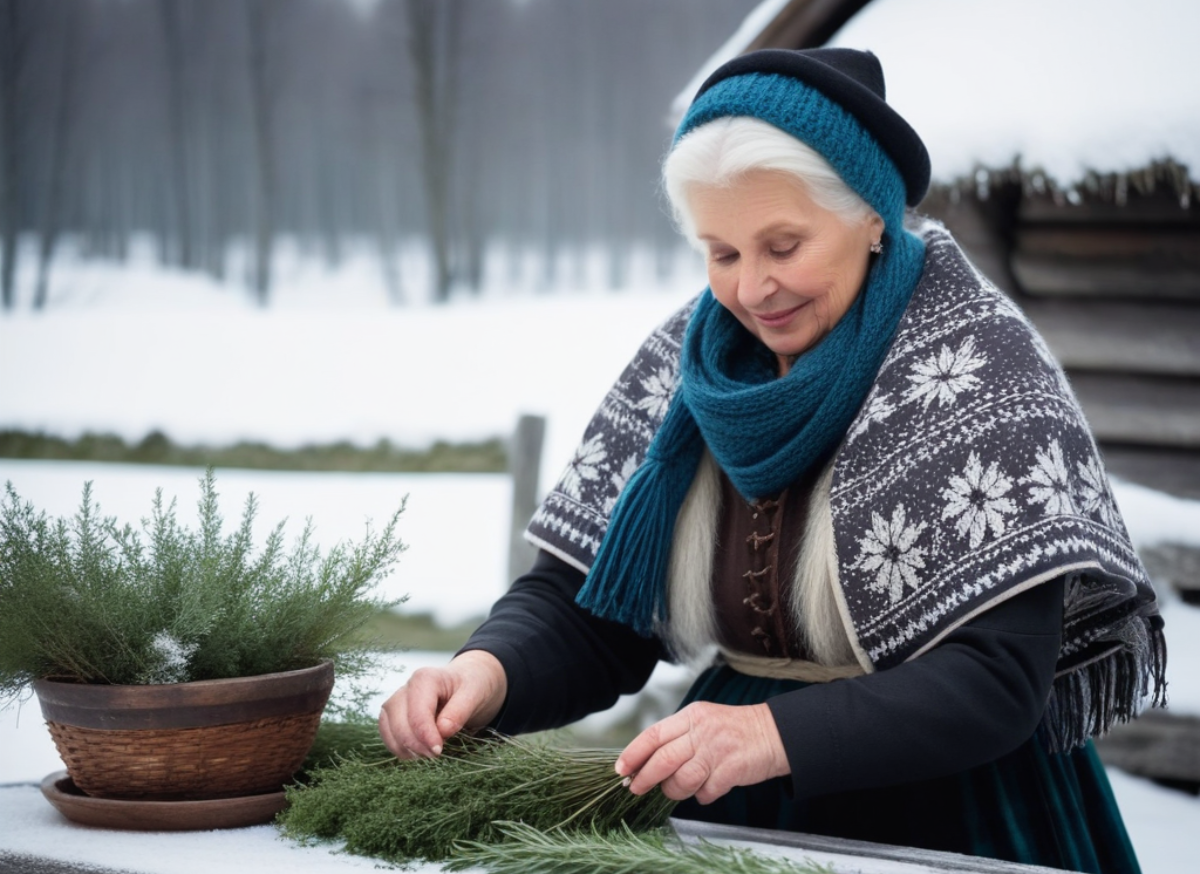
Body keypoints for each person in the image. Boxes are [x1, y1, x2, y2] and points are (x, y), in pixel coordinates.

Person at [379, 48, 1165, 873]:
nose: (752, 289)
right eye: (721, 253)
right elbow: (594, 605)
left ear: (871, 217)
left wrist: (770, 733)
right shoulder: (685, 373)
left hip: (956, 811)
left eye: (782, 245)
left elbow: (999, 675)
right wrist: (489, 669)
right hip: (731, 802)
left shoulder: (977, 369)